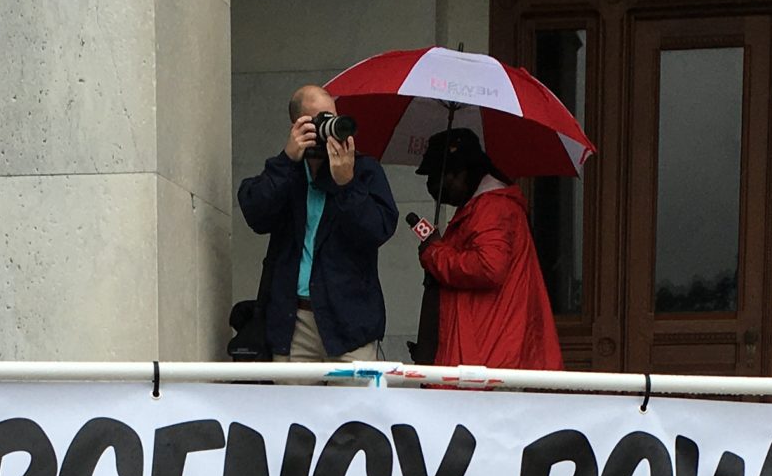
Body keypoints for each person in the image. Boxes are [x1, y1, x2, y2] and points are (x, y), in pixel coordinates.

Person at [238, 85, 397, 362]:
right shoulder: (286, 171)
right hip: (294, 321)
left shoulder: (363, 170)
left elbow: (378, 230)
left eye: (332, 118)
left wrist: (347, 184)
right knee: (294, 404)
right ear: (297, 126)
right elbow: (256, 214)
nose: (329, 129)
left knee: (353, 405)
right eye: (319, 121)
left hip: (349, 322)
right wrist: (287, 160)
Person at [411, 127, 562, 371]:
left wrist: (435, 253)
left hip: (491, 354)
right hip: (488, 351)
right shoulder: (483, 207)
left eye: (437, 177)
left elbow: (488, 267)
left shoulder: (492, 209)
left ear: (460, 173)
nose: (432, 186)